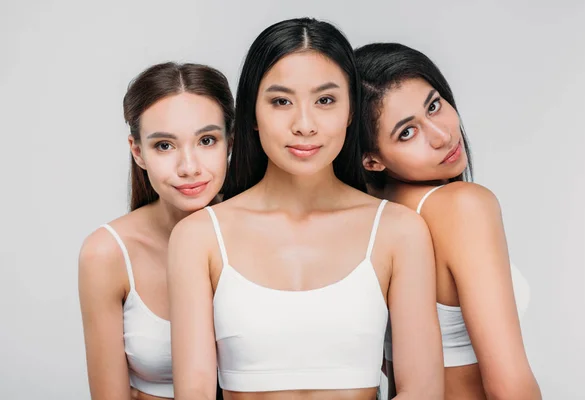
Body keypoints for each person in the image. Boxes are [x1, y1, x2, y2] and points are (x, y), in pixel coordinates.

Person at [168, 18, 444, 400]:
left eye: (325, 100)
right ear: (251, 113)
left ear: (351, 110)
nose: (304, 125)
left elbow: (423, 391)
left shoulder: (399, 230)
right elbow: (194, 392)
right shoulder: (198, 237)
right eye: (281, 101)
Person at [355, 42, 541, 400]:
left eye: (434, 106)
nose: (442, 136)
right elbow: (510, 385)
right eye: (407, 132)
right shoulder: (463, 207)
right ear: (371, 160)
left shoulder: (368, 215)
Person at [78, 62, 233, 400]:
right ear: (138, 152)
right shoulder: (108, 253)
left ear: (229, 143)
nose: (189, 167)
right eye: (165, 145)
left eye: (207, 140)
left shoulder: (265, 231)